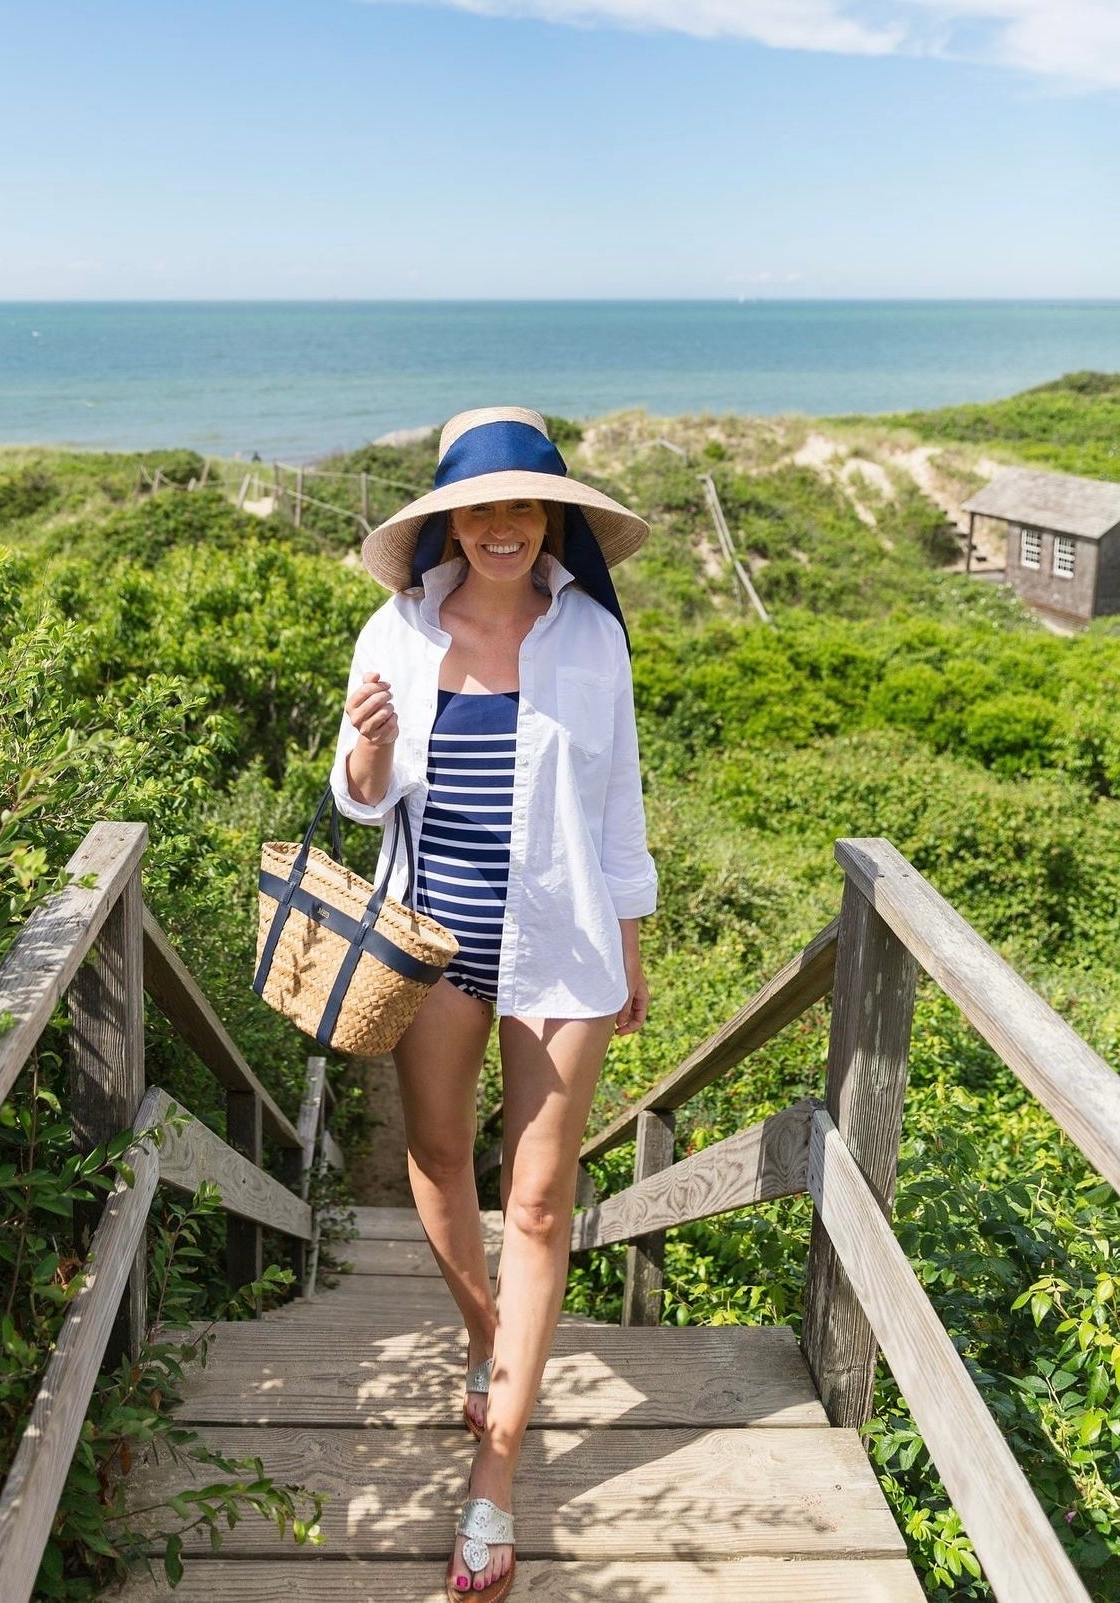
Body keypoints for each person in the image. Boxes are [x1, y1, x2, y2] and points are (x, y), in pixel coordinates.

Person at [330, 406, 657, 1602]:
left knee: (536, 1203)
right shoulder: (399, 629)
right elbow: (365, 801)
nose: (502, 526)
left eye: (523, 505)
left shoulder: (592, 640)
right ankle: (484, 1329)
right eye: (480, 507)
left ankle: (496, 1472)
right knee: (435, 1152)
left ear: (550, 516)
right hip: (432, 946)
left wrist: (631, 947)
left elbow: (620, 809)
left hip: (565, 950)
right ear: (449, 522)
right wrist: (365, 749)